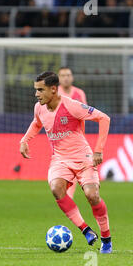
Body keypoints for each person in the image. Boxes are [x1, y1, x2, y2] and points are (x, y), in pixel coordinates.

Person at [19, 71, 112, 254]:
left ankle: (106, 239)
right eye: (36, 90)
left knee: (92, 196)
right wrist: (25, 140)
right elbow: (37, 123)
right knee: (56, 189)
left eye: (40, 90)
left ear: (53, 89)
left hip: (83, 158)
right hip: (60, 159)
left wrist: (98, 150)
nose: (36, 94)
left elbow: (104, 118)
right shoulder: (39, 107)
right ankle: (85, 230)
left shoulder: (72, 106)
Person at [57, 67, 87, 199]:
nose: (66, 78)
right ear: (58, 78)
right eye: (63, 75)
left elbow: (84, 114)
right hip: (59, 139)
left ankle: (68, 198)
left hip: (75, 138)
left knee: (74, 167)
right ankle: (66, 197)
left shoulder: (79, 93)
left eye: (68, 75)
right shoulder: (54, 93)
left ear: (72, 77)